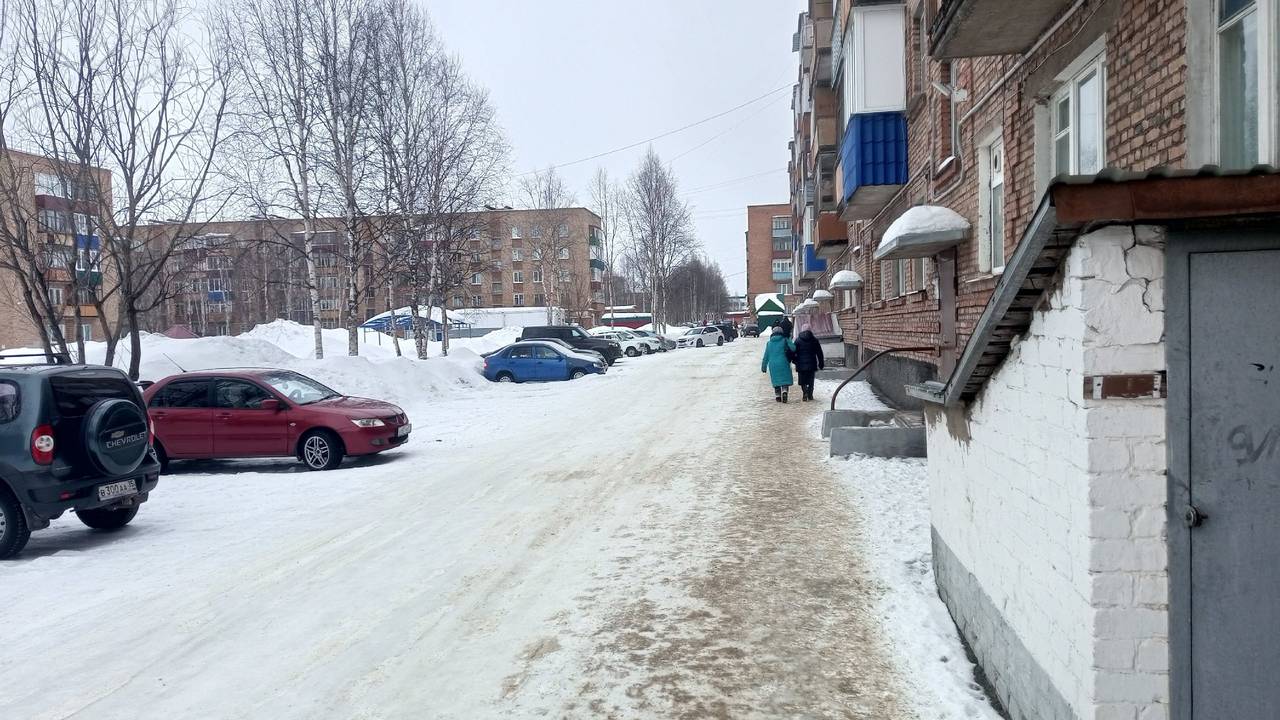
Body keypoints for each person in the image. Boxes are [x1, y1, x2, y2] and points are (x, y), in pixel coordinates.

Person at [761, 326, 796, 403]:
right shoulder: (784, 340)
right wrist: (788, 340)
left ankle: (778, 396)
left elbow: (766, 356)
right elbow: (793, 348)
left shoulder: (769, 343)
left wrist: (763, 367)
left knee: (776, 380)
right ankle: (784, 391)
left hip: (773, 365)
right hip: (784, 362)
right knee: (784, 379)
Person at [792, 329, 825, 401]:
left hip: (800, 364)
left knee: (802, 381)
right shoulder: (814, 340)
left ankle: (805, 392)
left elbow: (793, 351)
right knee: (810, 380)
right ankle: (810, 394)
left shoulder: (798, 340)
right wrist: (821, 363)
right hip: (812, 364)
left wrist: (794, 360)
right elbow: (819, 353)